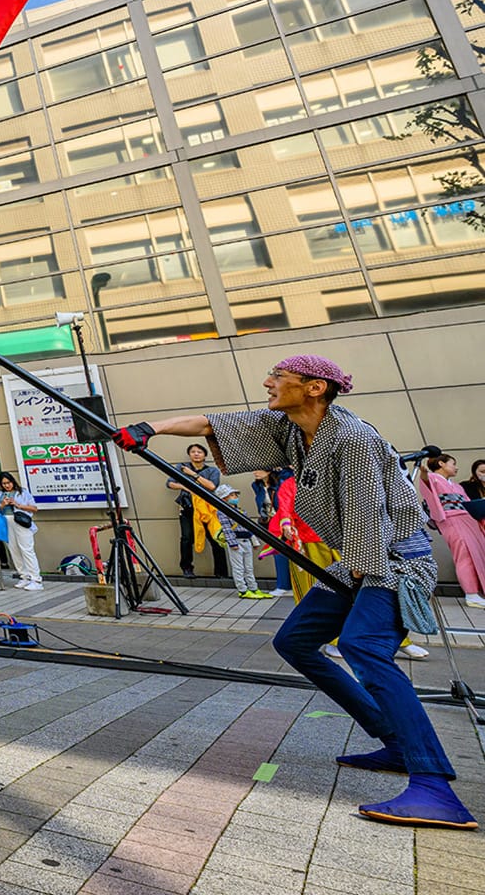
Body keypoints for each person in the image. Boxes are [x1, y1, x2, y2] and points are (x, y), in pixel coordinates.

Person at [112, 353, 475, 830]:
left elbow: (369, 520)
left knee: (363, 645)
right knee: (295, 641)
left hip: (393, 560)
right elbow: (211, 424)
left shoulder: (352, 439)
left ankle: (434, 787)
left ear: (314, 387)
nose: (267, 383)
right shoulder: (292, 428)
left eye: (278, 378)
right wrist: (146, 429)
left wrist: (360, 584)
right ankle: (393, 739)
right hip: (355, 559)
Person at [417, 454, 485, 610]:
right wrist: (423, 472)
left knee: (478, 554)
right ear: (441, 463)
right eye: (453, 463)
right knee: (465, 555)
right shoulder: (433, 478)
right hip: (451, 520)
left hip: (469, 520)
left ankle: (478, 592)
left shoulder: (457, 486)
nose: (456, 467)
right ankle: (471, 593)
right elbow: (426, 485)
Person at [168, 443, 228, 579]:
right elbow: (170, 483)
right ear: (189, 455)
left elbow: (212, 486)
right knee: (186, 539)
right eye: (193, 452)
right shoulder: (181, 468)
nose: (196, 454)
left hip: (207, 510)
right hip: (187, 508)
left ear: (205, 455)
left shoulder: (212, 471)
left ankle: (221, 572)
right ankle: (187, 569)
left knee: (216, 538)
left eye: (199, 452)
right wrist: (187, 487)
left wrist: (193, 475)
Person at [0, 473, 41, 590]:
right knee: (14, 550)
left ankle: (36, 579)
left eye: (8, 483)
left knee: (27, 550)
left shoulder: (22, 492)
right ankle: (24, 577)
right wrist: (2, 505)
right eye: (4, 483)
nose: (7, 485)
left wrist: (18, 505)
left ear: (13, 481)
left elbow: (34, 508)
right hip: (6, 523)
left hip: (20, 522)